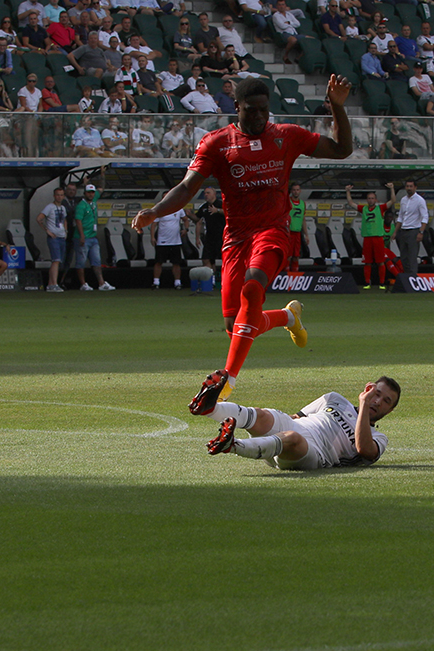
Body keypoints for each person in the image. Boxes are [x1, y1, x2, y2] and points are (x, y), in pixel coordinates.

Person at [131, 75, 352, 414]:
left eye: (264, 109)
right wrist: (156, 211)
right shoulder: (217, 143)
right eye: (252, 110)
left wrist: (337, 107)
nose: (260, 116)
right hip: (236, 238)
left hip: (273, 231)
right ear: (237, 107)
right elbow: (187, 187)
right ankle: (287, 316)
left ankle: (227, 379)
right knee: (235, 326)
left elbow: (341, 150)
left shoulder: (287, 136)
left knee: (252, 288)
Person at [205, 377, 401, 470]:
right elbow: (295, 417)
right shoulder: (334, 399)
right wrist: (275, 420)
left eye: (386, 401)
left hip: (315, 453)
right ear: (368, 389)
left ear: (390, 410)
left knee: (292, 438)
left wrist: (364, 404)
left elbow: (364, 450)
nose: (378, 402)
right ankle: (209, 408)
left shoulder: (378, 438)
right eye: (377, 394)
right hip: (296, 428)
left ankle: (232, 445)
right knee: (262, 415)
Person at [346, 182, 395, 288]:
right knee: (367, 262)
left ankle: (381, 283)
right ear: (367, 200)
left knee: (380, 261)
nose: (370, 200)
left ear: (375, 200)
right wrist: (348, 191)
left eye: (372, 198)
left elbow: (392, 201)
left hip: (378, 238)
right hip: (367, 239)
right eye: (369, 198)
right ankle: (367, 283)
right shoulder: (363, 209)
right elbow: (350, 203)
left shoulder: (380, 208)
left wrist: (392, 189)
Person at [72, 183, 116, 291]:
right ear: (84, 193)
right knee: (81, 261)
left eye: (92, 192)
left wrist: (102, 175)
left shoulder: (94, 201)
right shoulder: (81, 205)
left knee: (96, 260)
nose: (91, 194)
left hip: (93, 237)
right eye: (89, 192)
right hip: (83, 237)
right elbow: (78, 221)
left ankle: (101, 283)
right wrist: (82, 235)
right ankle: (83, 284)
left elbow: (101, 188)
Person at [390, 179, 428, 276]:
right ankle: (407, 277)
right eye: (407, 186)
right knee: (404, 257)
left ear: (415, 187)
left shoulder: (420, 200)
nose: (409, 188)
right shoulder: (403, 199)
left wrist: (421, 232)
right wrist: (395, 232)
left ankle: (413, 277)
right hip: (403, 231)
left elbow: (425, 217)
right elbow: (401, 217)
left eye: (411, 186)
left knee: (412, 257)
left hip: (413, 231)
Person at [37, 187, 69, 291]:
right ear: (54, 196)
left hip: (61, 236)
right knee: (56, 260)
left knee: (57, 261)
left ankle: (51, 284)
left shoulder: (63, 208)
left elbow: (64, 220)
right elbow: (39, 219)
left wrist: (66, 231)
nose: (59, 197)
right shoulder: (49, 207)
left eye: (61, 195)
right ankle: (54, 284)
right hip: (54, 237)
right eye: (57, 195)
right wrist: (47, 231)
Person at [195, 186, 224, 272]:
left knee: (224, 258)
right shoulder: (204, 207)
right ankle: (211, 277)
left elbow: (229, 212)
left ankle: (225, 277)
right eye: (205, 193)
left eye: (208, 193)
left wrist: (217, 210)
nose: (206, 195)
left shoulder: (220, 204)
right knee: (206, 259)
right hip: (209, 237)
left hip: (222, 236)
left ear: (214, 194)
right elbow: (198, 220)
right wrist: (188, 214)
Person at [286, 182, 307, 272]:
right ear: (291, 191)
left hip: (298, 233)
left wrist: (306, 234)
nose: (296, 192)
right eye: (294, 190)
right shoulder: (287, 202)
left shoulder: (303, 203)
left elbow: (303, 219)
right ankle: (286, 275)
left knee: (296, 256)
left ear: (300, 191)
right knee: (288, 256)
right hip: (288, 232)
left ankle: (295, 275)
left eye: (297, 190)